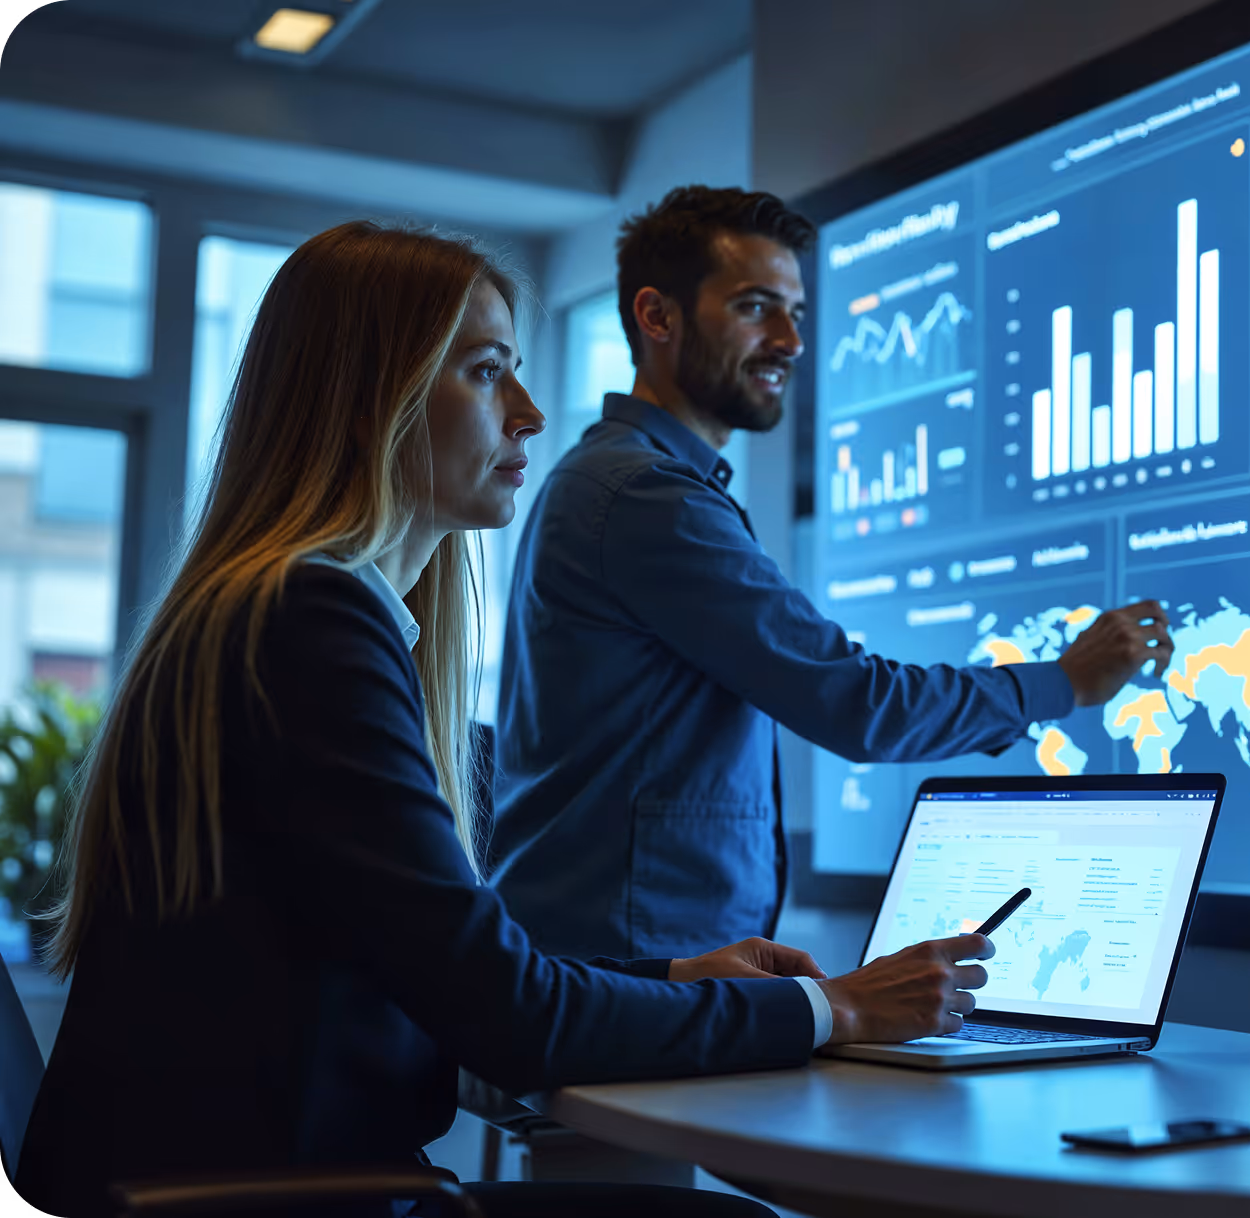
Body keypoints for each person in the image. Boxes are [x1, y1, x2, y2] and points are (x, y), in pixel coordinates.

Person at [16, 221, 995, 1218]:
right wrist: (831, 1006)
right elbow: (509, 1019)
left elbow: (436, 974)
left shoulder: (280, 613)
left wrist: (670, 973)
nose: (528, 415)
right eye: (487, 373)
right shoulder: (312, 623)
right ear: (369, 400)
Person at [491, 186, 1175, 960]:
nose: (789, 340)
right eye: (755, 307)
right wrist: (1063, 683)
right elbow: (857, 703)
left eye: (797, 314)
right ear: (657, 317)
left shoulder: (617, 481)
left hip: (634, 969)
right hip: (635, 975)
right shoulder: (644, 493)